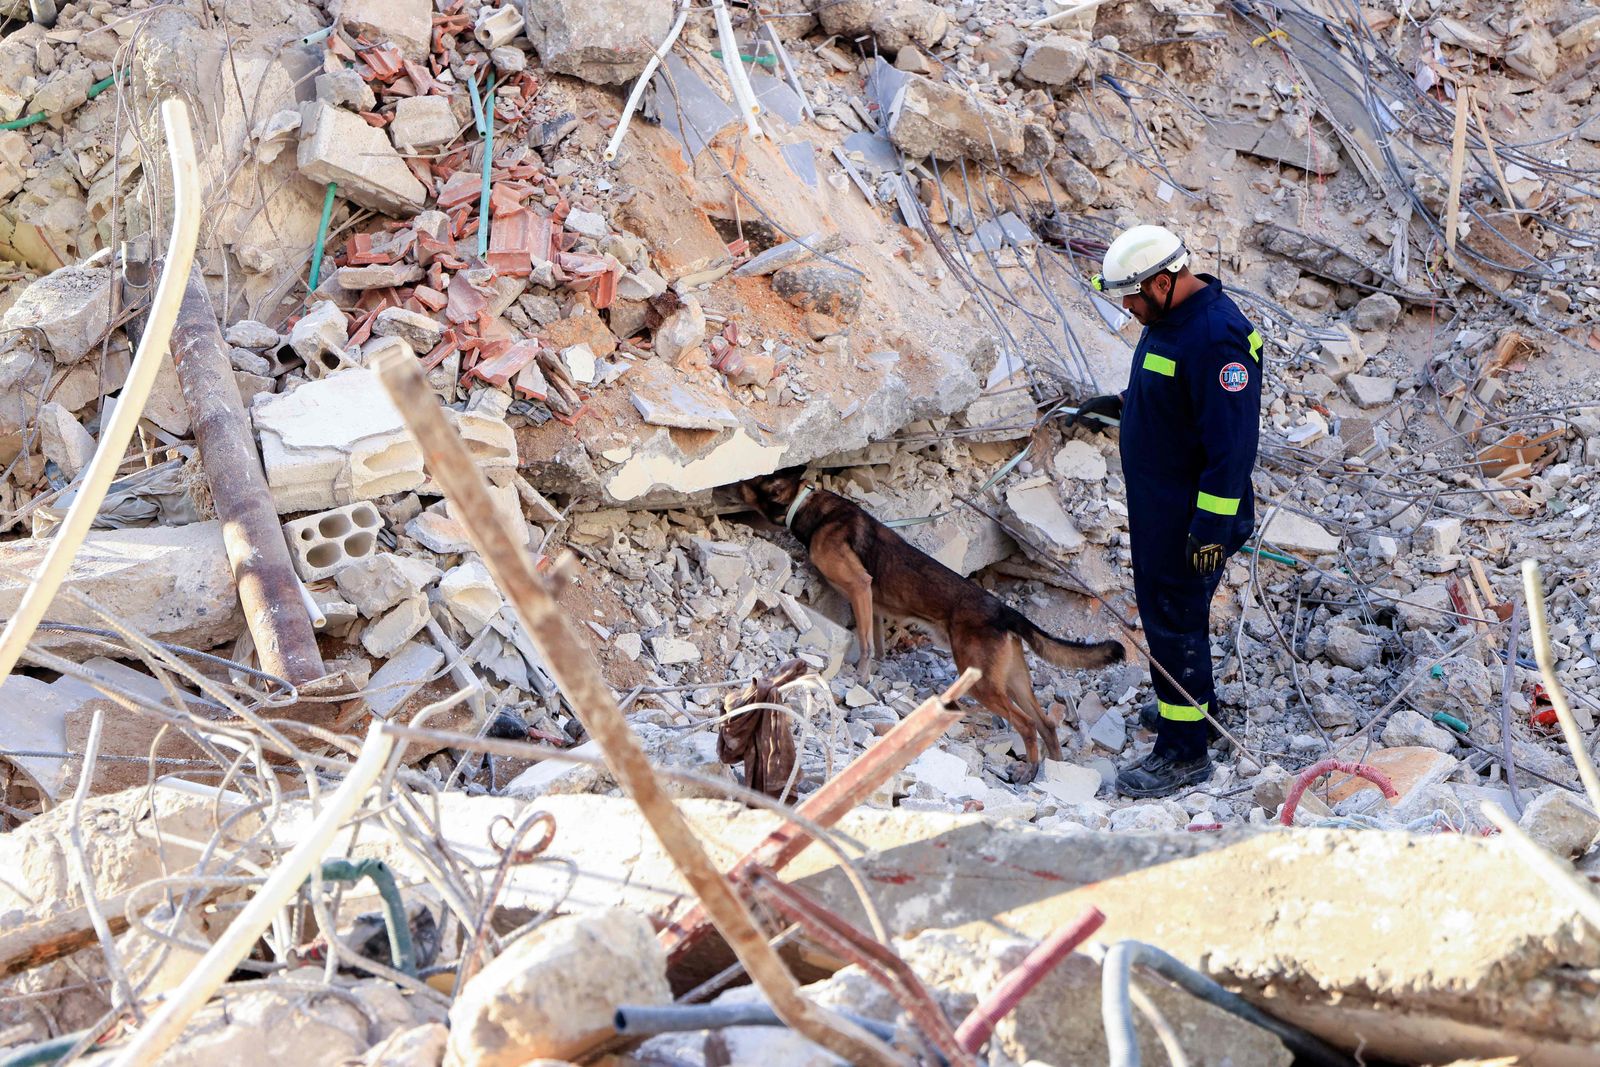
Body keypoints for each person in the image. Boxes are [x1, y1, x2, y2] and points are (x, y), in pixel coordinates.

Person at [1068, 224, 1263, 798]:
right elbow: (1178, 399)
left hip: (1190, 517)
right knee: (1171, 617)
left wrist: (1208, 530)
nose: (1127, 308)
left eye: (1132, 296)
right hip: (1163, 508)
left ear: (1163, 281)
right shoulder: (1172, 322)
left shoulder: (1217, 339)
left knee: (1175, 622)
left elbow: (1230, 452)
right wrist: (1125, 407)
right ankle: (1189, 710)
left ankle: (1184, 752)